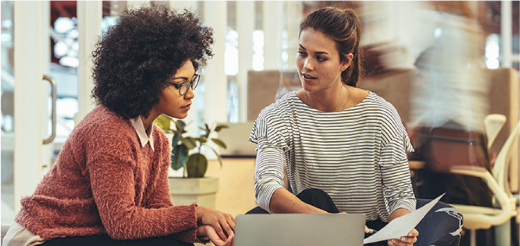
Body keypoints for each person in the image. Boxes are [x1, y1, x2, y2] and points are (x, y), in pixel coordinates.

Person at [2, 6, 234, 246]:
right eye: (180, 85)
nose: (190, 94)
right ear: (147, 83)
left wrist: (200, 231)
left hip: (88, 233)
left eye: (191, 81)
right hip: (44, 235)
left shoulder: (158, 141)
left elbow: (157, 215)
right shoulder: (109, 130)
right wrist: (196, 213)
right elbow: (123, 223)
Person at [247, 7, 462, 246]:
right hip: (315, 229)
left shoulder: (381, 114)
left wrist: (400, 230)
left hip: (372, 232)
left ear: (345, 62)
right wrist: (329, 221)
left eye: (320, 57)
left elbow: (400, 194)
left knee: (447, 217)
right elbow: (266, 187)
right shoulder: (277, 115)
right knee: (307, 199)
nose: (306, 66)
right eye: (301, 53)